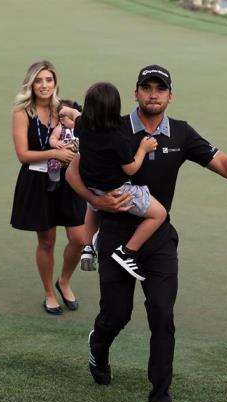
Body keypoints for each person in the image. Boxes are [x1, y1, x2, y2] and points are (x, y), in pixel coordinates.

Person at [66, 64, 227, 402]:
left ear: (169, 96)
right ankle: (98, 346)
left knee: (162, 315)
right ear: (135, 93)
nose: (153, 94)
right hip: (117, 234)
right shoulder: (111, 126)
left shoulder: (180, 133)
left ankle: (160, 398)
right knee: (116, 315)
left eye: (159, 89)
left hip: (159, 238)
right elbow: (74, 171)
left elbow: (221, 161)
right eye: (146, 88)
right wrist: (97, 202)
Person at [62, 82, 167, 281]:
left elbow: (77, 116)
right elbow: (130, 168)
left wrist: (66, 109)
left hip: (92, 186)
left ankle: (87, 247)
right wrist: (143, 149)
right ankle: (127, 251)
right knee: (159, 214)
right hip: (117, 192)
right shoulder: (117, 137)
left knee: (93, 208)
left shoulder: (83, 126)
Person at [10, 60, 87, 315]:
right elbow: (23, 154)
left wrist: (74, 148)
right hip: (38, 181)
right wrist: (54, 152)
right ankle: (49, 292)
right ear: (31, 83)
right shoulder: (22, 112)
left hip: (69, 181)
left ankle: (63, 280)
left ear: (55, 82)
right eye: (39, 80)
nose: (44, 85)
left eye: (49, 80)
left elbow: (85, 136)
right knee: (47, 240)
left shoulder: (64, 109)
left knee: (79, 238)